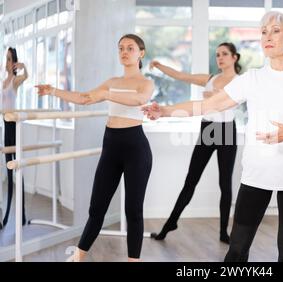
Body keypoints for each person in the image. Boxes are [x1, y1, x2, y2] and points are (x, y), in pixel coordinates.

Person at [143, 11, 283, 261]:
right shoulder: (252, 79)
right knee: (237, 251)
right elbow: (209, 105)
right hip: (256, 174)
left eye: (275, 30)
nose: (267, 36)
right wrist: (164, 111)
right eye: (263, 32)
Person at [35, 34, 153, 261]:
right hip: (111, 147)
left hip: (136, 149)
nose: (124, 52)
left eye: (130, 48)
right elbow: (84, 98)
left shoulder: (145, 83)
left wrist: (108, 94)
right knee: (97, 208)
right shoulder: (112, 81)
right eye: (120, 48)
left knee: (133, 211)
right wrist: (53, 91)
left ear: (141, 53)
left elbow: (139, 101)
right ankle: (78, 256)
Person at [149, 42, 241, 244]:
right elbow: (182, 76)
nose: (220, 58)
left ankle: (224, 233)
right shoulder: (210, 78)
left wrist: (212, 96)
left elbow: (226, 101)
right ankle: (169, 225)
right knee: (191, 181)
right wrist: (158, 65)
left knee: (225, 184)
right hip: (208, 128)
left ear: (234, 57)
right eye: (217, 54)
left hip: (226, 131)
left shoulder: (239, 82)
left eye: (225, 54)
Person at [1, 47, 29, 229]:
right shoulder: (3, 82)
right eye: (6, 58)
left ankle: (23, 214)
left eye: (10, 59)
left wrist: (24, 66)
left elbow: (26, 76)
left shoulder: (15, 82)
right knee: (8, 172)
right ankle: (6, 216)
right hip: (5, 128)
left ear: (14, 62)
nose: (7, 61)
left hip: (14, 127)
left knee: (18, 171)